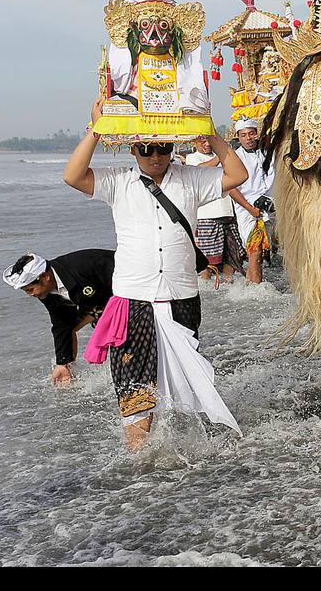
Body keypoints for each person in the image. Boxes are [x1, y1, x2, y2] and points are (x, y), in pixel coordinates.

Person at [64, 97, 248, 449]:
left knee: (182, 374)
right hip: (135, 297)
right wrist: (97, 130)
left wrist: (210, 133)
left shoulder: (192, 179)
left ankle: (179, 442)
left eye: (162, 147)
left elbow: (238, 175)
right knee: (134, 378)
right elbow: (73, 176)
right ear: (134, 149)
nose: (155, 156)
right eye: (146, 148)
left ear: (172, 146)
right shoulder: (118, 181)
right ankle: (138, 452)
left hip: (181, 294)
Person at [2, 249, 115, 387]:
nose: (30, 295)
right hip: (99, 305)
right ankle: (69, 369)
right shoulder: (46, 291)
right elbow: (61, 323)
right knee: (70, 329)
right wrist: (62, 363)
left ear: (44, 277)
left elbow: (129, 287)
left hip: (132, 293)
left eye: (30, 290)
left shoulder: (86, 265)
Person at [185, 136, 243, 287]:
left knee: (232, 255)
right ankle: (206, 286)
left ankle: (228, 286)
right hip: (207, 216)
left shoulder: (219, 159)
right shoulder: (191, 158)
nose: (206, 144)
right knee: (207, 259)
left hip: (228, 213)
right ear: (194, 143)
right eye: (202, 141)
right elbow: (199, 169)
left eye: (208, 141)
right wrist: (221, 156)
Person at [229, 118, 275, 285]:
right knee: (255, 251)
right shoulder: (235, 157)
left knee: (258, 253)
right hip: (246, 209)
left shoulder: (267, 153)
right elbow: (231, 188)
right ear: (238, 138)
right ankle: (257, 290)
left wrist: (269, 200)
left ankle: (250, 286)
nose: (248, 138)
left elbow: (273, 179)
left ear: (257, 134)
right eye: (243, 135)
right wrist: (249, 208)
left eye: (251, 134)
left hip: (267, 207)